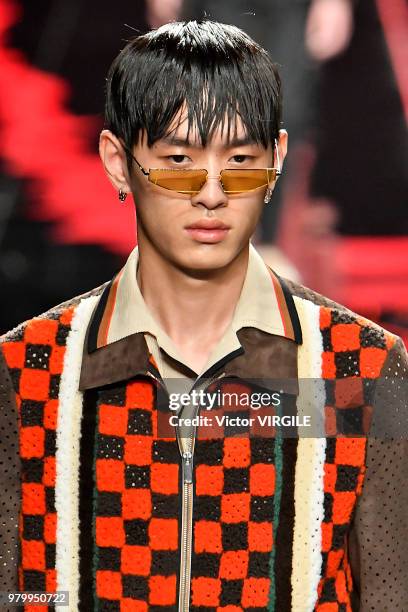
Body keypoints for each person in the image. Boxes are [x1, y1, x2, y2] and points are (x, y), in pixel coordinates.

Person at [0, 20, 406, 612]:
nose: (211, 192)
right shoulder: (28, 369)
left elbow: (391, 595)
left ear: (277, 160)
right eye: (178, 160)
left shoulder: (362, 369)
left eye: (241, 159)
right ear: (117, 161)